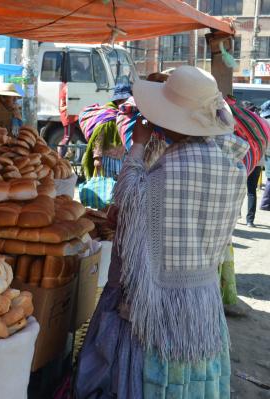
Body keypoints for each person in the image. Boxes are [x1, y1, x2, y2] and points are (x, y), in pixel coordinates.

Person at [74, 66, 247, 398]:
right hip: (201, 305)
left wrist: (138, 146)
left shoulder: (167, 172)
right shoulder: (232, 166)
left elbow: (124, 205)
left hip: (155, 311)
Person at [81, 83, 132, 179]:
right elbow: (99, 137)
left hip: (122, 159)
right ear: (118, 101)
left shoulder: (126, 115)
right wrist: (97, 158)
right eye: (126, 100)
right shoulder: (109, 116)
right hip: (108, 160)